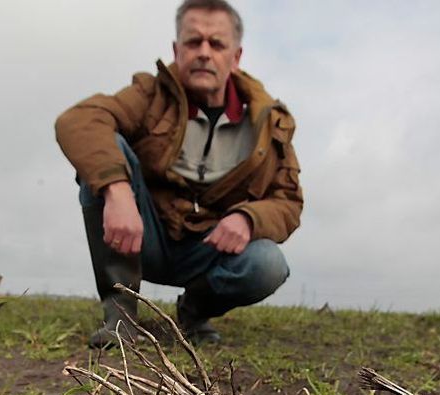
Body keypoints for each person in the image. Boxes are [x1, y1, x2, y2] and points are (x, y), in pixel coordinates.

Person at [56, 0, 302, 348]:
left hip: (209, 250)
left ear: (236, 56)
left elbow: (288, 202)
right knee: (104, 154)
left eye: (216, 44)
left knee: (268, 264)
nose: (204, 52)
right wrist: (118, 191)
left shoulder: (267, 123)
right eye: (193, 42)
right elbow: (78, 121)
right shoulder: (150, 94)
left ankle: (193, 312)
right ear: (176, 49)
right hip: (143, 238)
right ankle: (121, 316)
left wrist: (249, 219)